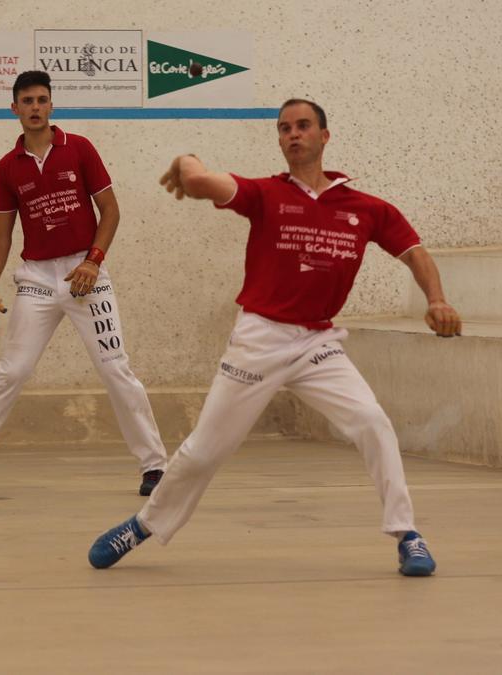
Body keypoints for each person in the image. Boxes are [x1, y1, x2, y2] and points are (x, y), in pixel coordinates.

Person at [87, 98, 462, 576]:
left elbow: (414, 253)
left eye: (303, 126)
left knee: (371, 421)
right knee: (205, 451)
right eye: (284, 128)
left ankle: (407, 534)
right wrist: (186, 164)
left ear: (325, 136)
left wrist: (436, 300)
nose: (293, 134)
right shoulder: (265, 194)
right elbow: (203, 181)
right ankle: (141, 526)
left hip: (317, 343)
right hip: (260, 337)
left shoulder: (367, 208)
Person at [0, 70, 167, 497]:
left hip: (86, 276)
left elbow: (111, 211)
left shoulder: (79, 148)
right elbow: (1, 232)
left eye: (42, 100)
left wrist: (93, 262)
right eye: (27, 101)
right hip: (37, 280)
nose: (36, 107)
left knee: (115, 368)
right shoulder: (7, 167)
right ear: (15, 109)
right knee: (11, 372)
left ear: (51, 105)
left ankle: (155, 468)